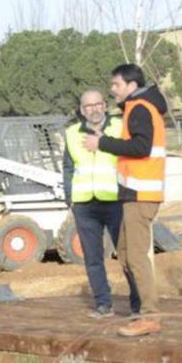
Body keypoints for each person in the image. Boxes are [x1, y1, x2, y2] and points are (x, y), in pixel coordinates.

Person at [85, 62, 168, 337]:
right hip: (133, 194)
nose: (113, 90)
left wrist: (103, 143)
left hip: (141, 195)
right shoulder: (137, 107)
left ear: (131, 86)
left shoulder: (140, 108)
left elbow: (141, 147)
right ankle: (144, 311)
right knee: (125, 254)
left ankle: (150, 316)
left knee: (135, 256)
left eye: (116, 85)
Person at [63, 88, 129, 319]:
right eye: (88, 106)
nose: (93, 109)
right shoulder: (71, 133)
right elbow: (68, 167)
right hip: (84, 205)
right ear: (82, 110)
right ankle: (103, 304)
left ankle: (138, 303)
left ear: (105, 105)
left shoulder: (119, 127)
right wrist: (69, 197)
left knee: (127, 254)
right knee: (93, 257)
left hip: (114, 201)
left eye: (97, 104)